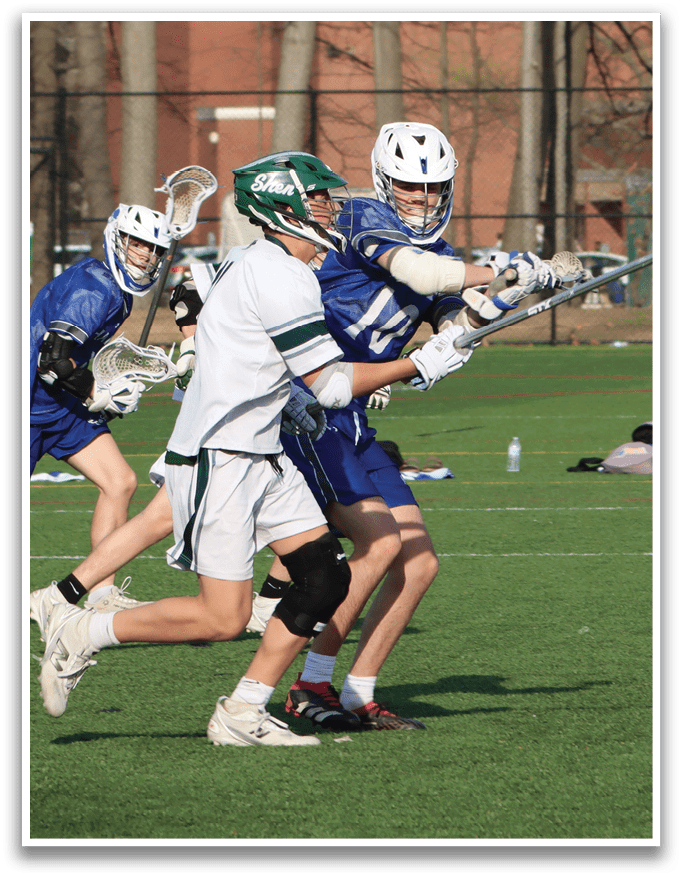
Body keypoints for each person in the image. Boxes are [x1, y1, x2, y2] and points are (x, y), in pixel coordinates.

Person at [35, 151, 472, 747]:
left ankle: (242, 711)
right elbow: (335, 383)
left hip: (264, 448)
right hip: (224, 454)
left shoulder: (267, 263)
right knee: (224, 618)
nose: (331, 209)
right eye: (319, 199)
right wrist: (417, 361)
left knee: (323, 578)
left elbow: (238, 340)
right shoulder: (280, 275)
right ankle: (86, 631)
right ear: (285, 207)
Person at [248, 123, 560, 731]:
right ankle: (295, 685)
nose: (421, 200)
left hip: (353, 413)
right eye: (410, 187)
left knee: (418, 563)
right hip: (308, 402)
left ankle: (354, 690)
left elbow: (451, 327)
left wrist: (502, 302)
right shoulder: (361, 216)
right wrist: (507, 267)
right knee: (376, 545)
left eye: (433, 188)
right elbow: (419, 275)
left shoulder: (443, 255)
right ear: (385, 181)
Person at [30, 204, 172, 613]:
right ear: (117, 237)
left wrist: (98, 388)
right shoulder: (96, 286)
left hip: (57, 405)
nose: (146, 255)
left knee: (120, 481)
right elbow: (52, 359)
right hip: (30, 402)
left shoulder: (114, 287)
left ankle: (102, 594)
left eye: (155, 248)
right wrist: (98, 393)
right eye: (139, 243)